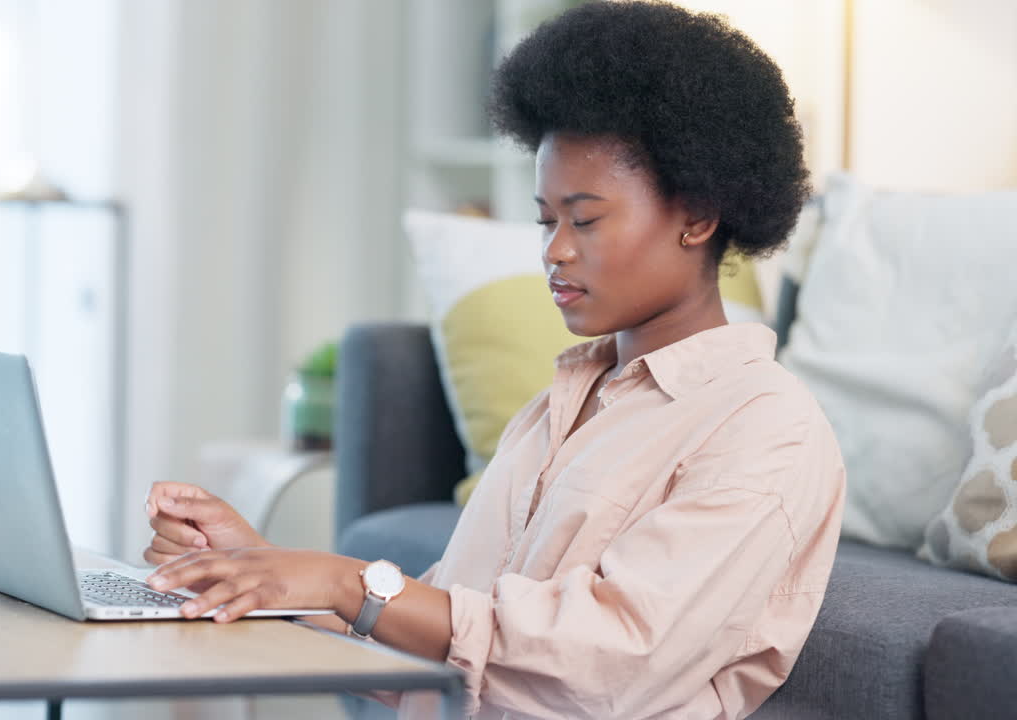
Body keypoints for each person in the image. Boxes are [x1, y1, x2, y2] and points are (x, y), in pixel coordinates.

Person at [142, 2, 845, 718]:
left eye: (587, 218)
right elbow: (437, 647)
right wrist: (258, 573)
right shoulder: (563, 403)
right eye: (545, 220)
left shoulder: (765, 427)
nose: (554, 250)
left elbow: (607, 664)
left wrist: (342, 580)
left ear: (697, 215)